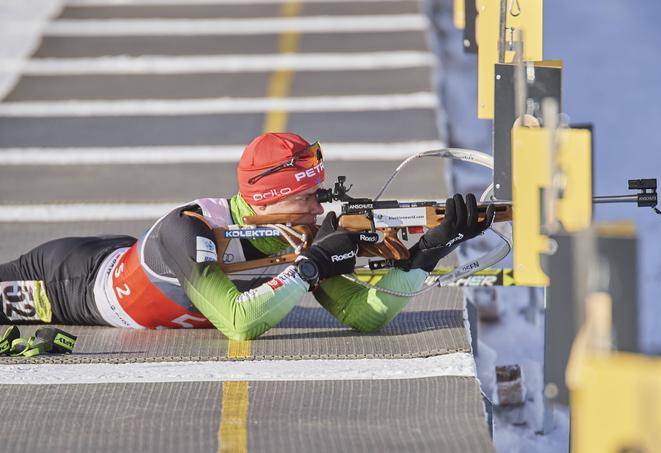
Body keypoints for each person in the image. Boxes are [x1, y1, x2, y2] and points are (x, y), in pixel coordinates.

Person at [0, 133, 493, 340]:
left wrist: (429, 251)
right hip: (65, 284)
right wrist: (312, 266)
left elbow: (364, 317)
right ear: (267, 201)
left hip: (117, 253)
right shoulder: (187, 226)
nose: (320, 209)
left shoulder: (291, 235)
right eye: (308, 199)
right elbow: (238, 325)